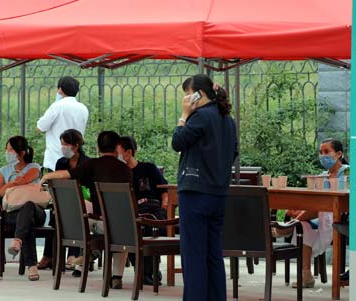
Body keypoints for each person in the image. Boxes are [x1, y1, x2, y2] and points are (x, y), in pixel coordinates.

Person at [172, 74, 237, 301]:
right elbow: (234, 152)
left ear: (198, 93)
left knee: (194, 255)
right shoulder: (227, 119)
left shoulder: (198, 117)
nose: (187, 99)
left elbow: (177, 142)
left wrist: (183, 116)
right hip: (218, 193)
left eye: (188, 94)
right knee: (213, 255)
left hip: (195, 192)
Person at [40, 130, 132, 289]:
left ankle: (86, 251)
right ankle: (116, 276)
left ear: (98, 148)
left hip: (98, 222)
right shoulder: (126, 170)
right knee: (119, 234)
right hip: (120, 227)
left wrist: (47, 176)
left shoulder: (92, 164)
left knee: (83, 219)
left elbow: (66, 175)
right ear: (117, 148)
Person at [284, 138, 349, 288]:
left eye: (326, 152)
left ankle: (287, 227)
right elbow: (313, 200)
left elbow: (346, 199)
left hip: (338, 217)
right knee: (303, 226)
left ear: (338, 154)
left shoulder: (347, 171)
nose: (322, 155)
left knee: (316, 211)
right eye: (320, 152)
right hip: (318, 216)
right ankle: (306, 275)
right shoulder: (322, 176)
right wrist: (298, 210)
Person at [0, 136, 44, 281]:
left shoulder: (34, 168)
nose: (7, 152)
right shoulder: (4, 170)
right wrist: (7, 186)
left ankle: (18, 242)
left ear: (21, 153)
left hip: (37, 211)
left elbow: (21, 181)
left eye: (11, 150)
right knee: (27, 222)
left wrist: (8, 186)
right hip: (12, 214)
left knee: (28, 206)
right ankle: (31, 264)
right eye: (7, 149)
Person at [37, 129, 90, 272]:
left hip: (83, 202)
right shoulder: (61, 162)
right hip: (64, 201)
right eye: (62, 144)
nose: (63, 148)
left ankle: (73, 255)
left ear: (76, 146)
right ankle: (50, 255)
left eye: (66, 144)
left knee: (74, 216)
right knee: (55, 217)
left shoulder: (86, 163)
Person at [117, 135, 168, 285]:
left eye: (118, 151)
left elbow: (164, 190)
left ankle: (148, 270)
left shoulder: (148, 168)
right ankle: (145, 271)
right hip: (133, 211)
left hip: (154, 208)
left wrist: (165, 204)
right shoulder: (119, 173)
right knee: (137, 227)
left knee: (155, 225)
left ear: (129, 152)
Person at [37, 76, 89, 171]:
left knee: (57, 184)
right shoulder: (83, 108)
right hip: (76, 156)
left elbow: (40, 127)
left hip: (56, 157)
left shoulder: (57, 106)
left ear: (60, 89)